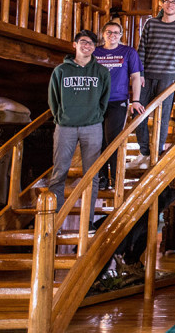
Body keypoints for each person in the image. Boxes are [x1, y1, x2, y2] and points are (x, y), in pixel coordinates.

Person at [48, 29, 110, 221]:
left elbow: (104, 99)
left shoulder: (101, 71)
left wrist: (96, 115)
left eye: (91, 43)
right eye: (83, 42)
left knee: (91, 175)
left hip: (92, 127)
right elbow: (53, 100)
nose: (87, 46)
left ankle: (88, 220)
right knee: (59, 172)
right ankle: (53, 218)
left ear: (94, 48)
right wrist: (61, 117)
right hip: (65, 127)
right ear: (75, 45)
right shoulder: (61, 71)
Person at [135, 0, 175, 168]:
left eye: (174, 3)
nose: (170, 5)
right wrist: (139, 73)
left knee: (162, 116)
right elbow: (142, 49)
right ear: (162, 5)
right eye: (167, 2)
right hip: (146, 76)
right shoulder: (151, 24)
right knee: (137, 113)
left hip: (168, 77)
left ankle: (157, 151)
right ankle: (145, 151)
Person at [93, 21, 144, 190]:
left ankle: (115, 178)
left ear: (121, 35)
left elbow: (136, 77)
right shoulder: (96, 52)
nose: (112, 35)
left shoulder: (128, 52)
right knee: (97, 142)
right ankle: (101, 179)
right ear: (103, 34)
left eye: (116, 32)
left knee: (112, 140)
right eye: (109, 32)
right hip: (96, 103)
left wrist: (135, 100)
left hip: (117, 101)